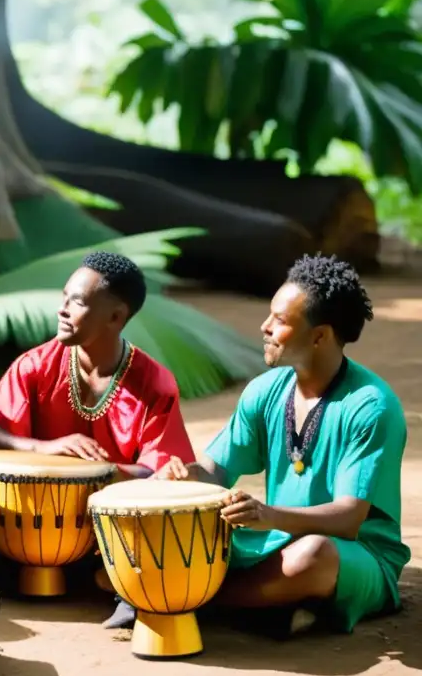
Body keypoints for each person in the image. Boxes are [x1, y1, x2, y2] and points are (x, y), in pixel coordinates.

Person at [158, 254, 410, 637]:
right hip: (278, 539)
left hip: (356, 552)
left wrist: (269, 515)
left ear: (320, 336)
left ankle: (189, 601)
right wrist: (185, 477)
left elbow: (347, 519)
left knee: (313, 556)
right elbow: (216, 470)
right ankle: (269, 604)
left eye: (280, 320)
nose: (265, 327)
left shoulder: (371, 406)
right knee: (195, 530)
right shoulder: (266, 391)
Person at [0, 251, 197, 628]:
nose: (62, 309)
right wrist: (42, 448)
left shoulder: (153, 383)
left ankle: (126, 585)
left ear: (116, 316)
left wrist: (98, 473)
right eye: (64, 297)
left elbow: (160, 471)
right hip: (32, 531)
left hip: (113, 529)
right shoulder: (36, 365)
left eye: (77, 301)